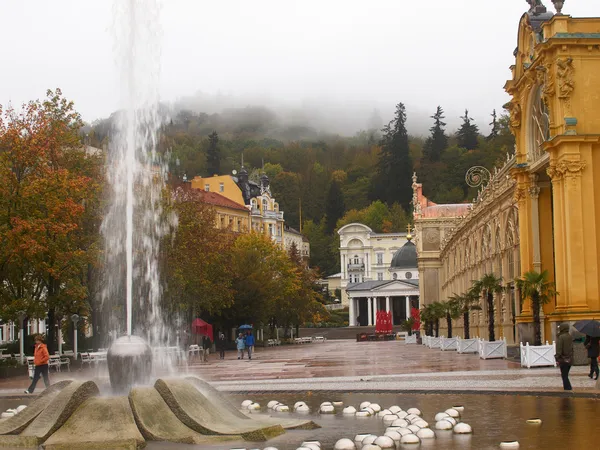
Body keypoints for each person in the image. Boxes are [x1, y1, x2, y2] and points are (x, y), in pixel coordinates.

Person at [555, 323, 574, 391]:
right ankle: (567, 388)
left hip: (563, 358)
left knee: (564, 375)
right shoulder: (569, 336)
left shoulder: (561, 337)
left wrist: (557, 356)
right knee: (565, 374)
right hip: (569, 358)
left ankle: (568, 388)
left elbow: (559, 348)